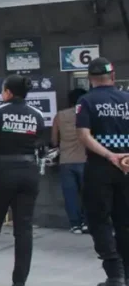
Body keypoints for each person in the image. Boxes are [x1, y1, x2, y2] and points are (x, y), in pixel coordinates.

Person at [0, 75, 46, 286]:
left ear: (8, 93)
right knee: (23, 228)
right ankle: (19, 280)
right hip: (28, 172)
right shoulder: (37, 114)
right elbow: (40, 137)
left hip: (1, 172)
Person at [76, 57, 129, 286]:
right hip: (127, 166)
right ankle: (127, 275)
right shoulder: (127, 99)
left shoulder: (86, 101)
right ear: (113, 76)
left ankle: (115, 277)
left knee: (99, 221)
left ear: (90, 78)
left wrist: (109, 156)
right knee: (125, 222)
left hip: (100, 167)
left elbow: (84, 136)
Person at [53, 88, 88, 234]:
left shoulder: (60, 116)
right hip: (86, 159)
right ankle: (87, 222)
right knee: (88, 193)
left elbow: (54, 140)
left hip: (66, 160)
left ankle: (75, 225)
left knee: (70, 195)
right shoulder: (87, 114)